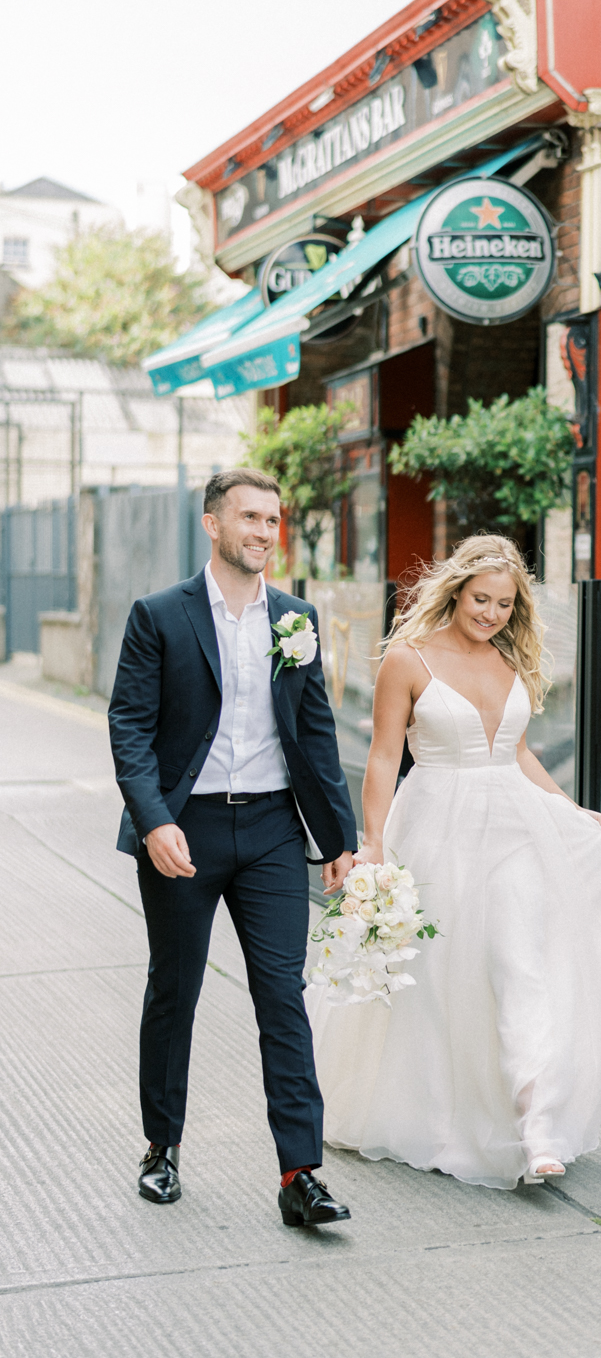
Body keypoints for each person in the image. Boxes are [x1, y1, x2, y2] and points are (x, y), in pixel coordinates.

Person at [306, 534, 601, 1189]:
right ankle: (442, 1115)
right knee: (438, 983)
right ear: (457, 591)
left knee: (519, 960)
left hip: (515, 826)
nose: (491, 613)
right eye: (480, 599)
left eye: (503, 603)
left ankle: (536, 1122)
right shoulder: (407, 661)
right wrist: (373, 841)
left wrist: (571, 809)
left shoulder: (509, 662)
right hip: (435, 825)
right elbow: (385, 756)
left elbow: (516, 753)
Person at [107, 468, 357, 1227]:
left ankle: (300, 1174)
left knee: (284, 995)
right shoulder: (159, 616)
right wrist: (154, 822)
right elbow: (129, 728)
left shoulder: (296, 619)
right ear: (212, 524)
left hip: (276, 831)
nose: (263, 531)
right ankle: (162, 1148)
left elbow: (314, 735)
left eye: (272, 519)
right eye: (248, 517)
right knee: (174, 989)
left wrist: (339, 838)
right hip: (188, 828)